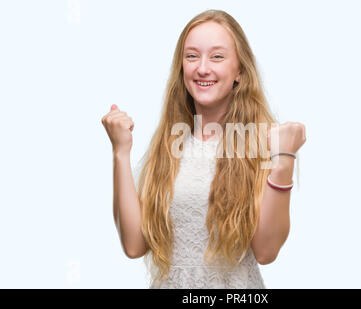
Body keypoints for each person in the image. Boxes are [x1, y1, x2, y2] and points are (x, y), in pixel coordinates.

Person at [101, 9, 306, 289]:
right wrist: (120, 152)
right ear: (182, 68)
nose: (202, 68)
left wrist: (283, 162)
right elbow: (135, 246)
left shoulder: (265, 144)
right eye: (192, 56)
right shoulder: (169, 146)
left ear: (240, 73)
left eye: (218, 56)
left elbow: (266, 251)